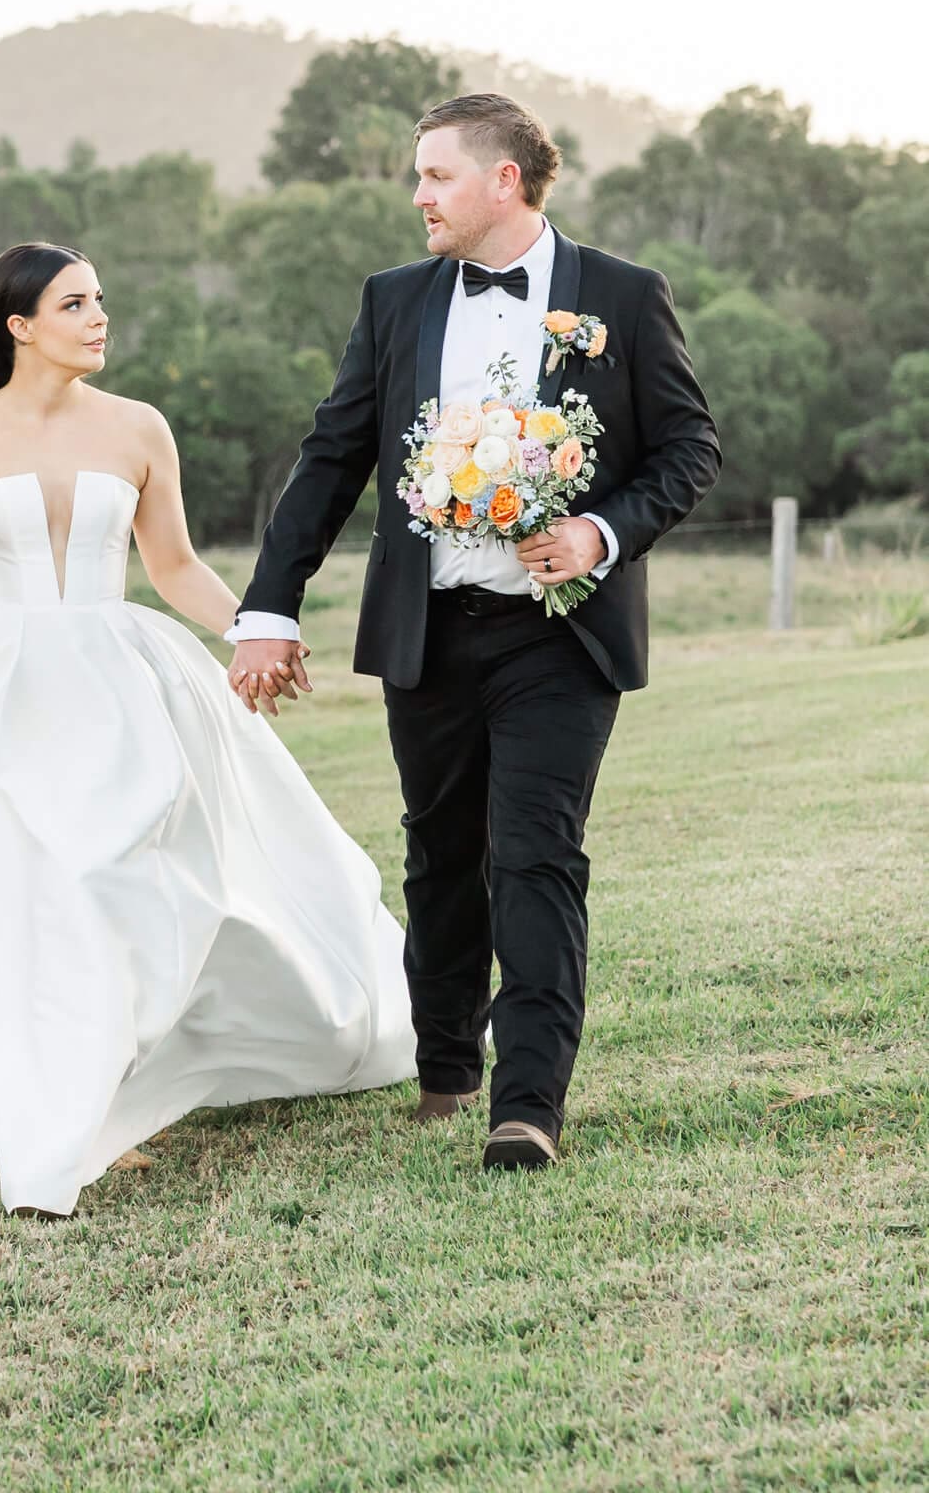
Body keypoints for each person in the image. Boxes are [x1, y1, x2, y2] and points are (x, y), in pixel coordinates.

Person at [0, 242, 416, 1216]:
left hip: (114, 673)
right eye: (75, 302)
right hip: (2, 677)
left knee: (119, 877)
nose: (99, 316)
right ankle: (29, 1110)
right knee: (2, 894)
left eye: (101, 298)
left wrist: (251, 628)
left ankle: (113, 1083)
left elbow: (174, 562)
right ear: (19, 325)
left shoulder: (139, 427)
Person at [227, 93, 721, 1170]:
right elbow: (331, 457)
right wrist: (268, 605)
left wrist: (600, 530)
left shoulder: (624, 298)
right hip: (430, 631)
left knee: (537, 855)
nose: (417, 195)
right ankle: (446, 1067)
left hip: (561, 635)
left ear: (505, 180)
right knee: (441, 854)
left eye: (435, 175)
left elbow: (688, 450)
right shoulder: (394, 300)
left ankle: (526, 1105)